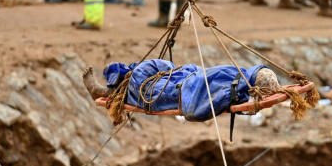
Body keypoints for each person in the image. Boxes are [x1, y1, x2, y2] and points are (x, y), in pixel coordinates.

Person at [82, 61, 280, 121]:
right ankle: (109, 90)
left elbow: (194, 109)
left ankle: (107, 91)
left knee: (141, 71)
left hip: (164, 94)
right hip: (175, 85)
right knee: (158, 68)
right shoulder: (236, 82)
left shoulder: (232, 87)